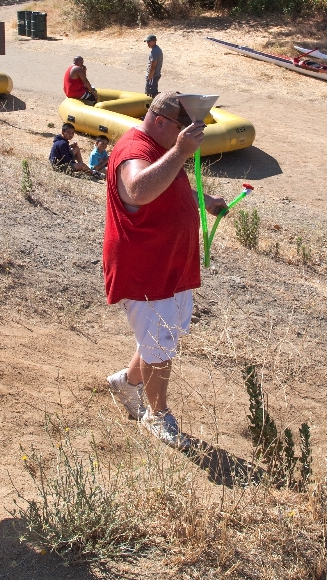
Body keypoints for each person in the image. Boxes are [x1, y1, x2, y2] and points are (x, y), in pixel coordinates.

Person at [104, 92, 227, 450]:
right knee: (160, 345)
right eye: (184, 126)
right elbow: (138, 189)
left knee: (161, 337)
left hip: (168, 262)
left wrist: (205, 200)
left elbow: (167, 188)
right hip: (145, 266)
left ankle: (126, 385)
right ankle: (157, 416)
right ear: (161, 121)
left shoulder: (159, 146)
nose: (191, 132)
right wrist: (180, 151)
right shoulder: (135, 149)